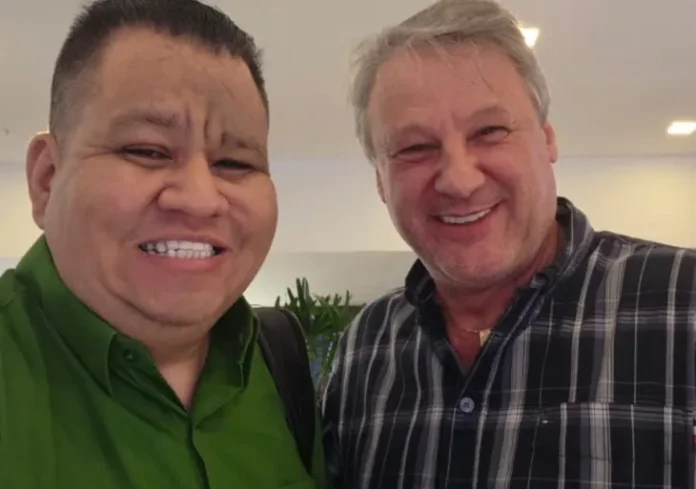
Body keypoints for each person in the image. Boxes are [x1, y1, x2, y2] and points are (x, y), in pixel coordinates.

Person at [322, 0, 696, 488]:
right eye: (414, 147)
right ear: (380, 181)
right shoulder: (365, 347)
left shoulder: (685, 302)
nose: (459, 180)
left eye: (490, 131)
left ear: (547, 140)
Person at [0, 0, 324, 487]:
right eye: (147, 151)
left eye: (234, 163)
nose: (200, 200)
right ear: (47, 179)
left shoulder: (281, 368)